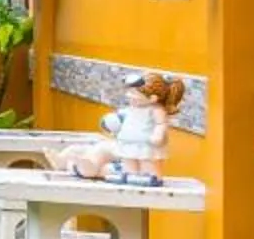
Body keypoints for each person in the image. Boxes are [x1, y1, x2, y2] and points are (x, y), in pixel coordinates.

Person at [49, 72, 184, 185]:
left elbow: (161, 124)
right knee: (128, 160)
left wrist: (158, 135)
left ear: (153, 98)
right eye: (129, 92)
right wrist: (110, 123)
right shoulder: (132, 109)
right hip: (126, 144)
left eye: (133, 93)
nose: (128, 95)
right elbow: (119, 119)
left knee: (145, 160)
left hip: (145, 144)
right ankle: (130, 174)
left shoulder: (155, 110)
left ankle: (149, 175)